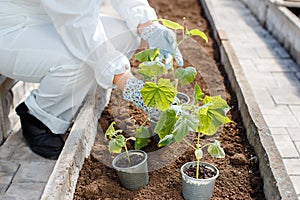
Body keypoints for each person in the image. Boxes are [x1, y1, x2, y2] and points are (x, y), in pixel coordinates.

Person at [0, 0, 183, 159]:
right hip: (12, 27)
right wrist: (131, 86)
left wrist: (148, 25)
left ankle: (74, 92)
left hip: (50, 16)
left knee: (125, 36)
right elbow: (80, 26)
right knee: (76, 61)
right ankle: (38, 118)